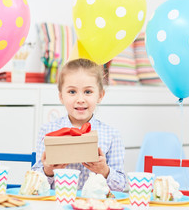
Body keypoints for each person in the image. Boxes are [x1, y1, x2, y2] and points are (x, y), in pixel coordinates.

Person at [32, 58, 126, 191]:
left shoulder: (111, 135)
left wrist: (104, 171)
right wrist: (47, 171)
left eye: (88, 92)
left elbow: (120, 186)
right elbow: (34, 185)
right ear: (61, 96)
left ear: (100, 95)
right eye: (72, 92)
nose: (80, 99)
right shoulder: (48, 131)